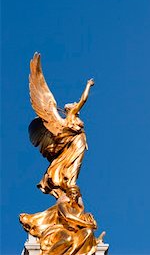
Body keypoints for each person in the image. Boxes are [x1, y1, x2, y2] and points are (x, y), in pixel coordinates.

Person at [28, 53, 94, 199]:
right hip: (75, 144)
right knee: (72, 164)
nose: (75, 105)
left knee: (72, 164)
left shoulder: (69, 119)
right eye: (73, 106)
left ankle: (70, 183)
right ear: (70, 110)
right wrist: (88, 85)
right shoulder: (70, 117)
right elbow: (83, 99)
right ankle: (70, 184)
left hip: (76, 144)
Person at [19, 186, 102, 255]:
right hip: (60, 229)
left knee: (88, 232)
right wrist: (86, 223)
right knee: (68, 239)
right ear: (68, 195)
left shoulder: (80, 211)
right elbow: (67, 216)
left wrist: (90, 222)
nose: (73, 195)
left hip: (76, 232)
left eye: (75, 193)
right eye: (71, 193)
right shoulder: (62, 205)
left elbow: (92, 225)